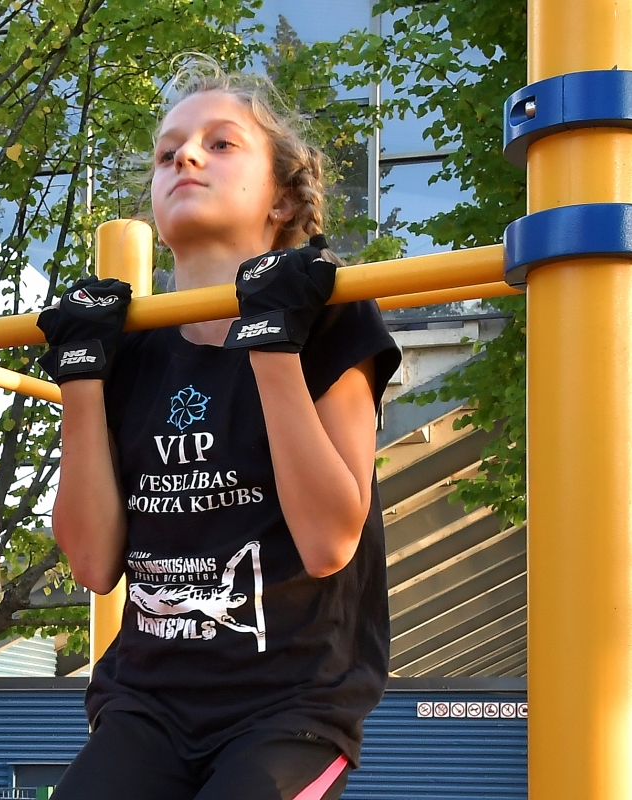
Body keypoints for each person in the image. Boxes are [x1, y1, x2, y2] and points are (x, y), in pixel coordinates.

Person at [37, 59, 402, 800]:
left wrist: (270, 341)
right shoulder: (128, 348)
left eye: (220, 143)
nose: (186, 158)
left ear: (281, 198)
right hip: (148, 700)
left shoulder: (332, 315)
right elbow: (93, 565)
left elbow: (329, 543)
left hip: (291, 703)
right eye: (167, 152)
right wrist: (79, 377)